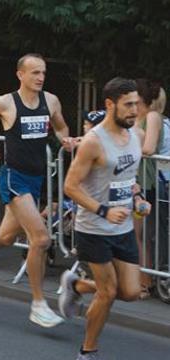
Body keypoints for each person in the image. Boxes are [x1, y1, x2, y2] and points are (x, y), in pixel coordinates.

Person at [0, 53, 75, 328]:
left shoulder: (50, 100)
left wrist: (64, 139)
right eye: (35, 73)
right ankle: (38, 304)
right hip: (13, 178)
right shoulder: (5, 102)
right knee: (41, 239)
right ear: (20, 74)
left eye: (43, 72)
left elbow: (60, 125)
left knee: (6, 237)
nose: (41, 77)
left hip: (36, 178)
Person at [59, 77, 148, 360]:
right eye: (128, 105)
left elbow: (127, 178)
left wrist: (138, 198)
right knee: (108, 292)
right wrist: (103, 210)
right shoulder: (94, 142)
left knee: (132, 292)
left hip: (121, 228)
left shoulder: (138, 136)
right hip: (94, 227)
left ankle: (75, 285)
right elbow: (70, 187)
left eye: (137, 104)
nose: (135, 110)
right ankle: (88, 351)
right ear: (110, 105)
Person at [133, 78, 167, 299]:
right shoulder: (136, 118)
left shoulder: (152, 117)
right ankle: (141, 279)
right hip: (135, 181)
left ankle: (145, 282)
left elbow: (148, 148)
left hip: (147, 182)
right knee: (138, 233)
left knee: (142, 234)